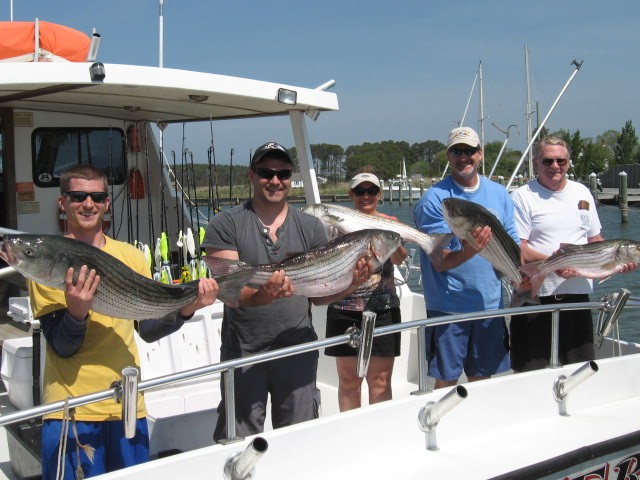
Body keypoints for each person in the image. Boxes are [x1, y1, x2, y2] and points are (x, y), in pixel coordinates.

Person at [30, 164, 219, 480]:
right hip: (71, 411)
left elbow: (147, 329)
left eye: (97, 196)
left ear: (106, 203)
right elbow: (62, 346)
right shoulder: (48, 262)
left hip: (128, 407)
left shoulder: (132, 256)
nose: (88, 204)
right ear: (62, 203)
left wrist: (188, 309)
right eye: (78, 196)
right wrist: (77, 312)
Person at [202, 142, 372, 441]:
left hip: (297, 347)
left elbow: (318, 296)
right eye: (267, 172)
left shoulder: (311, 227)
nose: (275, 180)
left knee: (299, 439)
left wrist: (352, 283)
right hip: (244, 351)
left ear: (291, 178)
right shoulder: (225, 224)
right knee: (237, 439)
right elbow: (229, 292)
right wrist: (262, 296)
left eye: (283, 173)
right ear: (252, 176)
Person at [509, 136, 636, 371]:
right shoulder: (522, 197)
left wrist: (620, 262)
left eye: (561, 161)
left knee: (579, 370)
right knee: (530, 372)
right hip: (535, 298)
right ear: (536, 163)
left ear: (568, 162)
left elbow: (595, 240)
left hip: (577, 298)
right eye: (548, 161)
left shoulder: (582, 192)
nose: (555, 166)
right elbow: (519, 247)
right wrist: (554, 263)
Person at [413, 126, 515, 388]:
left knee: (481, 382)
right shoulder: (435, 200)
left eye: (470, 151)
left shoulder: (500, 193)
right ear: (449, 156)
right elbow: (440, 261)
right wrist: (471, 248)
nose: (463, 157)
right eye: (457, 151)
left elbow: (513, 242)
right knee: (445, 382)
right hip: (448, 308)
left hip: (489, 306)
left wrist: (523, 277)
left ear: (480, 154)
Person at [323, 171, 407, 411]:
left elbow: (400, 259)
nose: (366, 196)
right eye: (360, 191)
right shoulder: (335, 226)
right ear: (351, 195)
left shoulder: (390, 222)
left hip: (383, 310)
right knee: (349, 381)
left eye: (371, 191)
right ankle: (350, 433)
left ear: (379, 195)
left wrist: (394, 235)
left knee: (380, 380)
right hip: (343, 308)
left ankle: (378, 434)